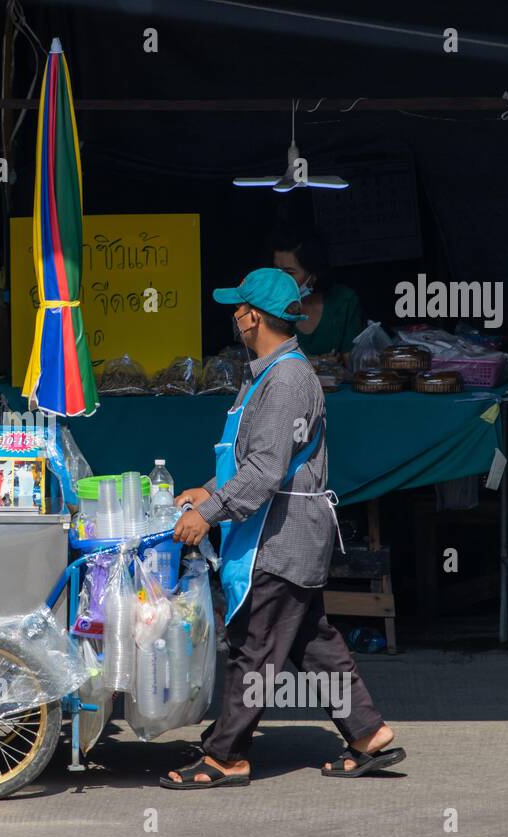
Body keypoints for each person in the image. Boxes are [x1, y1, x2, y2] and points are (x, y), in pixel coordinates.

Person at [162, 267, 403, 789]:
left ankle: (226, 755)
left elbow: (265, 470)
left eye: (237, 308)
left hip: (281, 536)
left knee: (255, 648)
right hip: (277, 530)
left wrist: (208, 513)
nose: (232, 315)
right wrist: (207, 489)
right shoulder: (268, 372)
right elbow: (254, 459)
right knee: (310, 641)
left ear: (251, 318)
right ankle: (367, 733)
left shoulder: (288, 379)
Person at [270, 226, 363, 357]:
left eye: (289, 273)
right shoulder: (267, 307)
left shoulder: (344, 301)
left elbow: (354, 364)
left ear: (313, 274)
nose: (279, 280)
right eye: (276, 270)